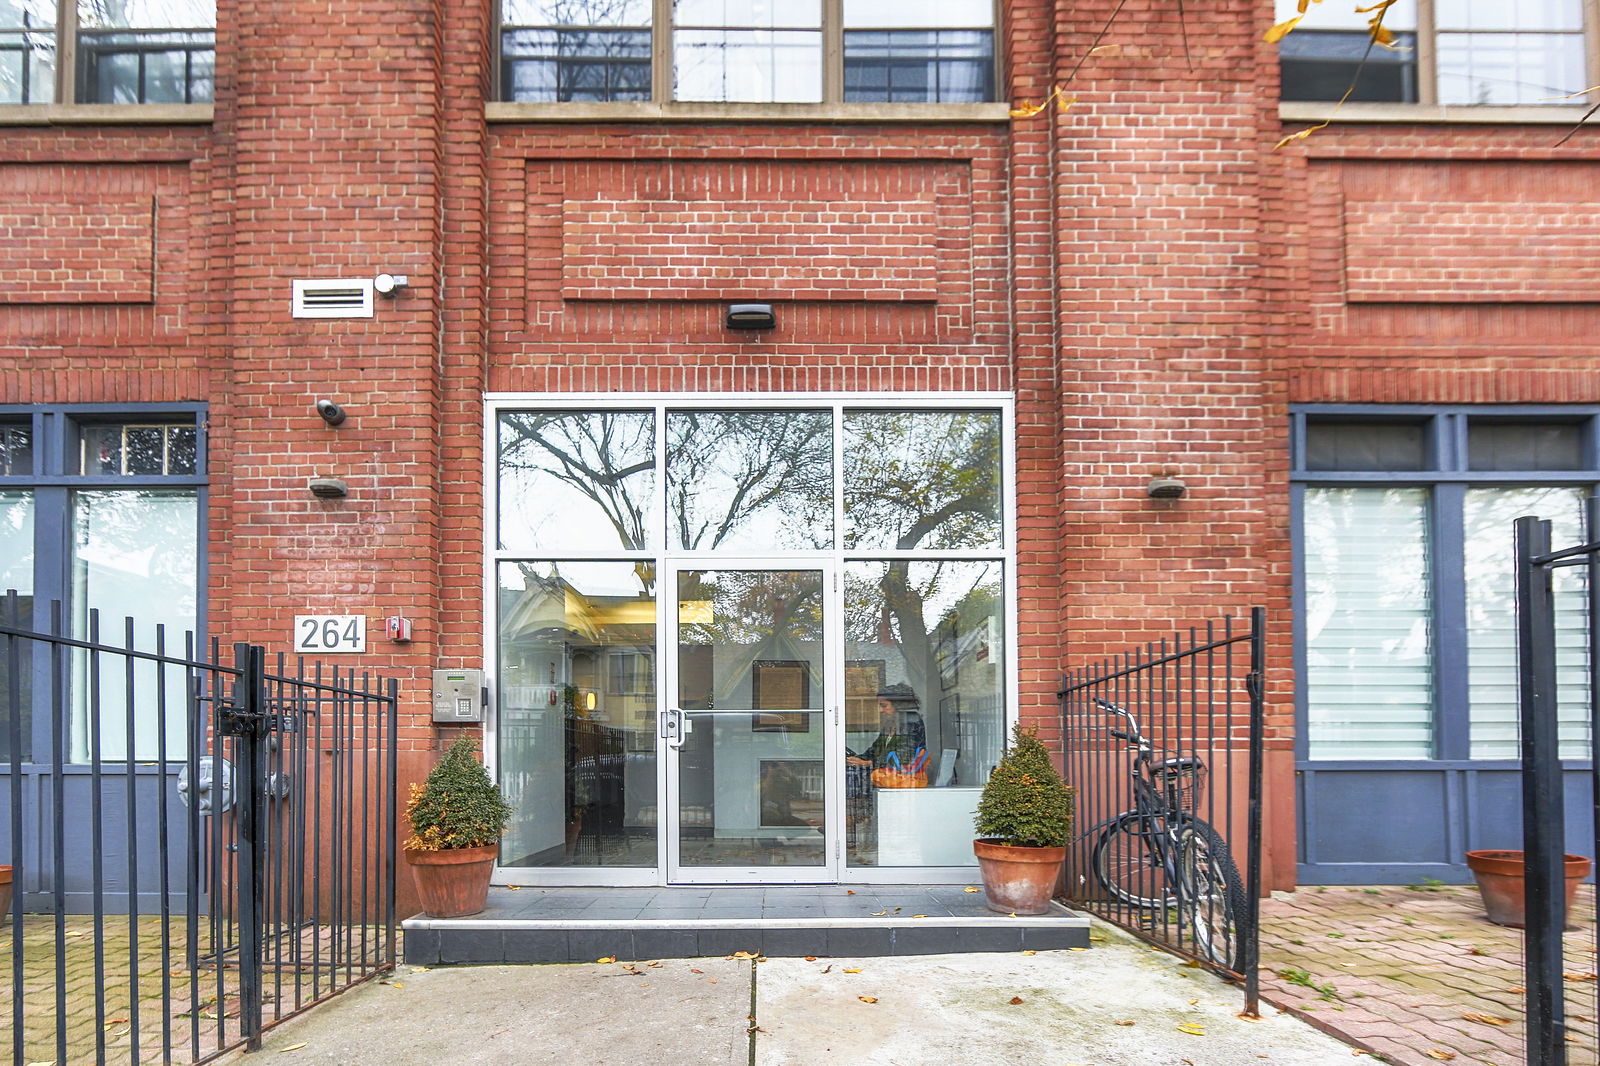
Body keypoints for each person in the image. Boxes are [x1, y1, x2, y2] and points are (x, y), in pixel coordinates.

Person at [847, 683, 926, 773]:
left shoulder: (912, 722)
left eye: (884, 706)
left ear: (898, 705)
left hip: (904, 779)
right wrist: (856, 759)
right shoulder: (891, 723)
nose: (880, 710)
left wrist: (867, 763)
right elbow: (874, 750)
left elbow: (904, 756)